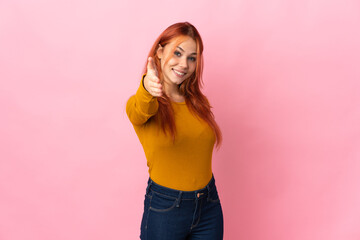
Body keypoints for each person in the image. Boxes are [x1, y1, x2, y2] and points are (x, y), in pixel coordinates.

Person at [126, 22, 223, 240]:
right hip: (166, 209)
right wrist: (147, 87)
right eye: (177, 53)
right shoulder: (143, 104)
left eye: (192, 57)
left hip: (208, 205)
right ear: (160, 52)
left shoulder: (199, 103)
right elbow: (141, 110)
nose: (184, 64)